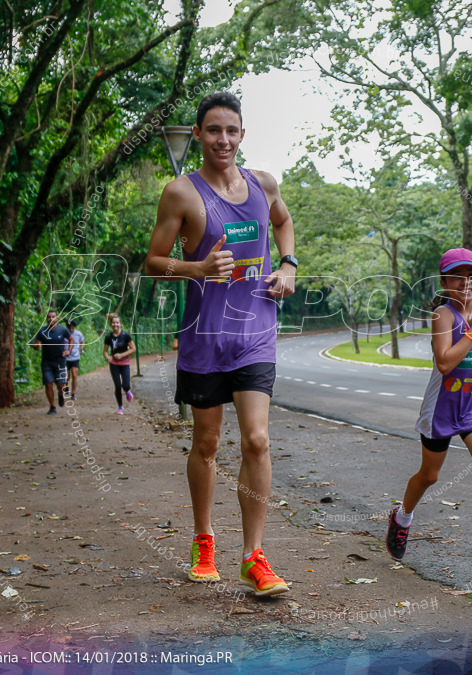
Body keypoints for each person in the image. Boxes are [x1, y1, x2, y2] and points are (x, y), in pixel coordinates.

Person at [144, 91, 297, 597]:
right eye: (213, 131)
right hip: (204, 338)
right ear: (198, 136)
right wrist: (198, 268)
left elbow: (283, 221)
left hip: (255, 333)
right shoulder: (180, 193)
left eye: (231, 131)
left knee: (257, 439)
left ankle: (253, 556)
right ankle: (203, 540)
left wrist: (288, 264)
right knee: (207, 443)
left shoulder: (263, 183)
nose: (223, 140)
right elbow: (153, 262)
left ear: (242, 135)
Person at [385, 248, 472, 576]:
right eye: (457, 277)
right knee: (429, 476)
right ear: (444, 282)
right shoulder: (443, 316)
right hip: (442, 409)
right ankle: (401, 517)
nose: (466, 283)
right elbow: (445, 362)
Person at [31, 310, 71, 415]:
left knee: (60, 385)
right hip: (47, 362)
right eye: (49, 317)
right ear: (46, 319)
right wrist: (37, 346)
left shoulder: (63, 330)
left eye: (53, 317)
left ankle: (60, 394)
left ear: (57, 318)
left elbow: (72, 340)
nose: (51, 319)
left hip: (60, 362)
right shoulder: (42, 331)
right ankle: (52, 406)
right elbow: (36, 344)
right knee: (48, 384)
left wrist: (68, 351)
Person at [103, 315, 135, 415]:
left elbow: (133, 349)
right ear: (111, 324)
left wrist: (122, 355)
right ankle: (120, 407)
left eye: (117, 322)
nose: (115, 324)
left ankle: (127, 391)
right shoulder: (109, 337)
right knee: (117, 386)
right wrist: (108, 357)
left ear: (120, 324)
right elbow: (105, 351)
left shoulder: (125, 335)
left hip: (124, 363)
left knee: (125, 385)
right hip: (114, 364)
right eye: (113, 322)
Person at [65, 319, 86, 400]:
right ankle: (66, 385)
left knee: (74, 375)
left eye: (72, 328)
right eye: (69, 328)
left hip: (75, 357)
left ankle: (73, 393)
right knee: (67, 376)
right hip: (66, 358)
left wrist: (82, 348)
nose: (71, 330)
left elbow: (82, 341)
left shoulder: (78, 334)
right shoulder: (64, 333)